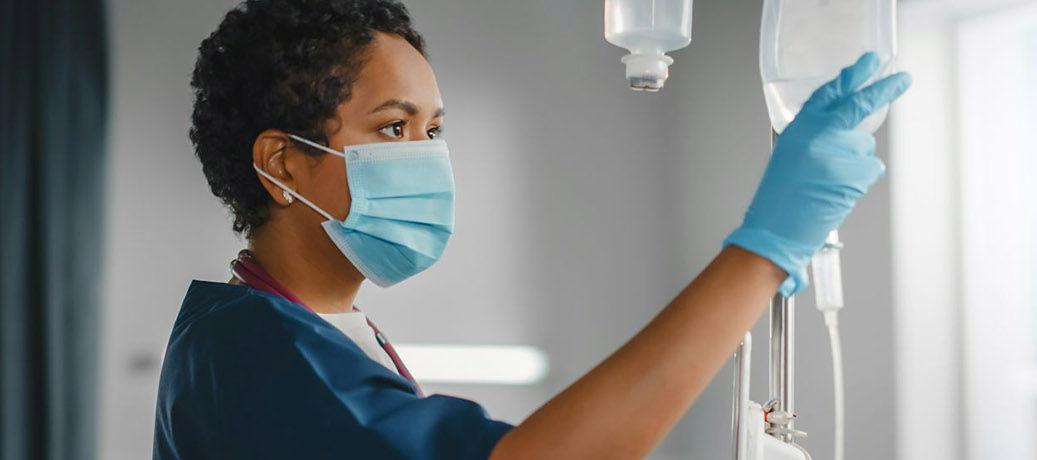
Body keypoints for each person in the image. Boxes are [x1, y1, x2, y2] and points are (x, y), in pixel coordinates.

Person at [151, 0, 912, 458]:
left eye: (434, 129)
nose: (428, 158)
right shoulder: (258, 357)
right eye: (393, 129)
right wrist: (761, 253)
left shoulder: (308, 333)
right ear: (282, 164)